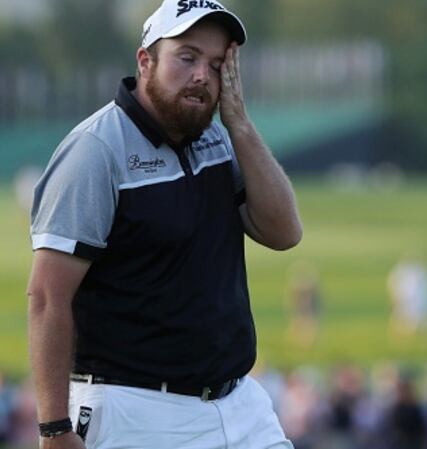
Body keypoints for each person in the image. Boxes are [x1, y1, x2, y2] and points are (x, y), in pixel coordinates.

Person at [26, 1, 303, 448]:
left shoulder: (217, 137)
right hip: (136, 411)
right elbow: (46, 297)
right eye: (187, 57)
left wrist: (240, 125)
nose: (202, 76)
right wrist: (54, 427)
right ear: (145, 61)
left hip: (240, 404)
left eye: (216, 65)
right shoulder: (96, 150)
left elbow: (284, 232)